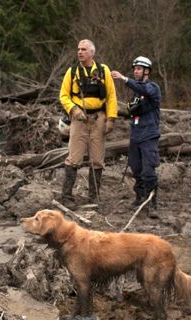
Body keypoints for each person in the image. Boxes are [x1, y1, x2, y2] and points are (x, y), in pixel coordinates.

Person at [59, 39, 117, 206]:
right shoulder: (72, 72)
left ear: (92, 52)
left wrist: (111, 119)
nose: (80, 52)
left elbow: (112, 96)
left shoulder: (103, 70)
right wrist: (74, 110)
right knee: (74, 158)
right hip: (79, 120)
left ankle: (94, 196)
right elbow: (63, 95)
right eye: (78, 49)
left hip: (98, 119)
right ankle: (67, 197)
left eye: (83, 49)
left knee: (97, 159)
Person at [111, 56, 162, 218]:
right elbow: (131, 110)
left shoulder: (153, 88)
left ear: (147, 71)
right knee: (136, 169)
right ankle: (140, 197)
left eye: (139, 69)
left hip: (149, 137)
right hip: (135, 137)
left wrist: (124, 79)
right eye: (134, 69)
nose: (136, 71)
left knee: (148, 171)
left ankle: (152, 203)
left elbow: (145, 90)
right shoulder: (135, 94)